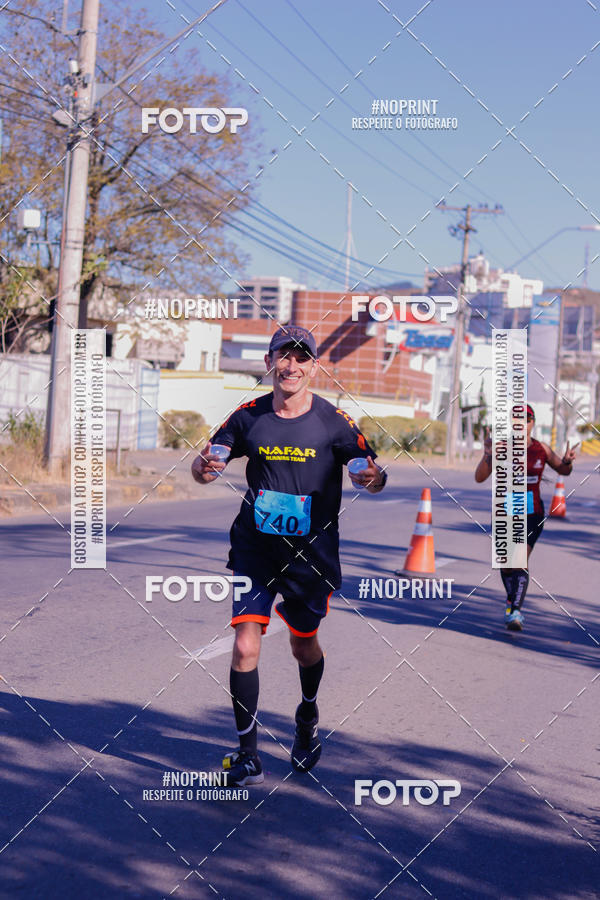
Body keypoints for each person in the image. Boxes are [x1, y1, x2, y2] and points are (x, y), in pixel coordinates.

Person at [191, 325, 387, 785]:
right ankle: (247, 755)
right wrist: (204, 467)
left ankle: (307, 717)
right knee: (244, 645)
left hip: (310, 556)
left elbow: (371, 474)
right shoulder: (248, 416)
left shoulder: (335, 422)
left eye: (302, 358)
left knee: (303, 645)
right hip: (255, 549)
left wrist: (371, 478)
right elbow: (206, 466)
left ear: (313, 366)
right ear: (269, 362)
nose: (292, 366)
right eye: (284, 356)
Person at [474, 404, 577, 631]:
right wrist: (487, 455)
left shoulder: (542, 449)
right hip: (506, 509)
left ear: (533, 423)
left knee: (519, 558)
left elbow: (563, 470)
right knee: (506, 563)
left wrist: (568, 461)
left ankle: (515, 611)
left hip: (532, 512)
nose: (522, 422)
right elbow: (479, 478)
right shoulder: (502, 447)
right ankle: (512, 603)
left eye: (527, 418)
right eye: (516, 418)